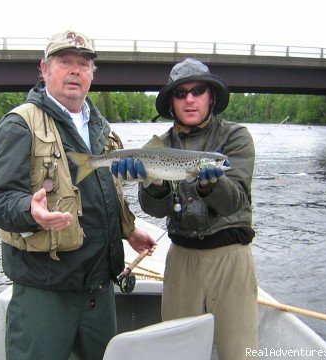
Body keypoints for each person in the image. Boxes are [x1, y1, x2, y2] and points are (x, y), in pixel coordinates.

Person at [0, 30, 156, 360]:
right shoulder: (19, 125)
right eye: (65, 62)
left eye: (84, 64)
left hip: (99, 290)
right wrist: (28, 211)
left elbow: (102, 195)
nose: (76, 70)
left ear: (93, 73)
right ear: (44, 69)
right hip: (45, 292)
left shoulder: (102, 130)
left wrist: (127, 231)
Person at [113, 58, 258, 359]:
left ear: (211, 96)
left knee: (240, 352)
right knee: (176, 353)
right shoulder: (159, 145)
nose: (190, 99)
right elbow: (153, 209)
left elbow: (235, 202)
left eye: (198, 90)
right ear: (172, 102)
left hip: (230, 260)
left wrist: (210, 185)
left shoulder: (235, 137)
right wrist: (153, 184)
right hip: (181, 260)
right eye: (181, 93)